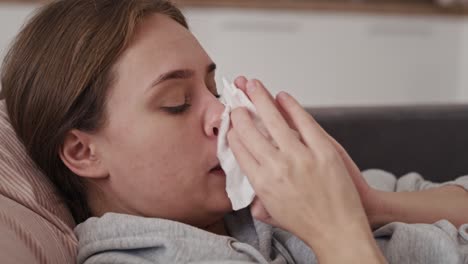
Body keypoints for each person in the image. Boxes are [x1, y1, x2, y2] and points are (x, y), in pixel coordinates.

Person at [1, 0, 467, 263]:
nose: (221, 115)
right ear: (83, 151)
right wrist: (336, 232)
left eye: (214, 90)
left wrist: (372, 206)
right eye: (176, 104)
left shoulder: (272, 198)